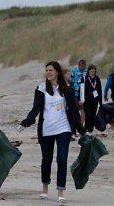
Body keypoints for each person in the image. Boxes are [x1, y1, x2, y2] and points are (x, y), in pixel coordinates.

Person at [17, 61, 86, 203]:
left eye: (51, 70)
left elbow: (74, 110)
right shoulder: (41, 89)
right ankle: (45, 188)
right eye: (47, 70)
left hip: (64, 128)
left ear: (57, 72)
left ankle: (61, 190)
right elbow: (36, 109)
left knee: (62, 159)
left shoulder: (66, 88)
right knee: (46, 159)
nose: (48, 72)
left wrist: (83, 131)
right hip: (46, 129)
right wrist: (26, 122)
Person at [80, 64, 102, 133]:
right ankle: (86, 129)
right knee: (88, 115)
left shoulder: (97, 78)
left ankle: (90, 130)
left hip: (95, 100)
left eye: (94, 71)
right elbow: (81, 89)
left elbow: (99, 89)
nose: (93, 73)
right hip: (87, 100)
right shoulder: (84, 78)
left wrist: (100, 101)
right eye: (91, 71)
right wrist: (80, 99)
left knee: (93, 116)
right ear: (88, 71)